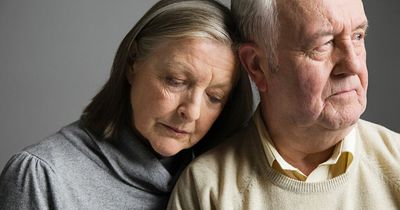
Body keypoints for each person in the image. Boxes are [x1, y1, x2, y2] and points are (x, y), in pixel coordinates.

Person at [0, 0, 253, 209]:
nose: (192, 111)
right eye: (176, 81)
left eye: (214, 97)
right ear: (133, 63)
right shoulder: (41, 175)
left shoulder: (219, 186)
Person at [168, 0, 400, 209]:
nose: (352, 65)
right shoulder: (205, 190)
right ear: (257, 65)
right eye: (324, 44)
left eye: (358, 36)